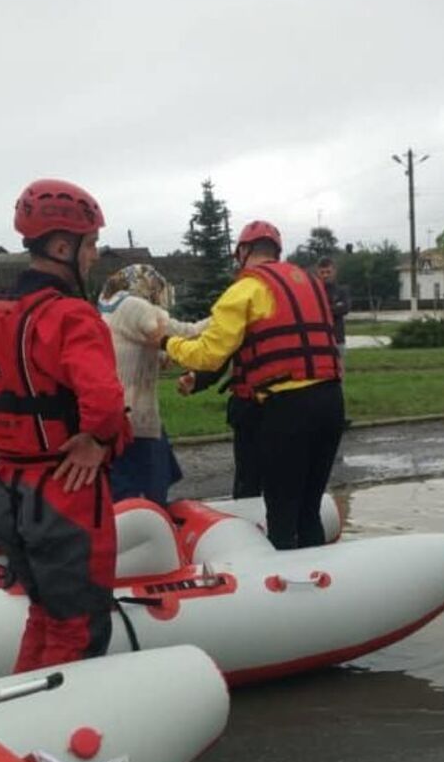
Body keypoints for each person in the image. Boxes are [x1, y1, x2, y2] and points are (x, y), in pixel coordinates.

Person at [0, 179, 132, 672]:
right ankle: (67, 730)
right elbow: (107, 403)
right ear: (63, 246)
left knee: (43, 615)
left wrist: (15, 433)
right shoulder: (72, 315)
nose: (93, 257)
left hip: (7, 488)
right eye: (90, 246)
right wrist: (95, 440)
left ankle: (25, 717)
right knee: (79, 626)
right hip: (63, 492)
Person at [163, 220, 344, 549]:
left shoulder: (244, 290)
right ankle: (321, 578)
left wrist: (169, 344)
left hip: (287, 412)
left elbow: (209, 355)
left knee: (281, 515)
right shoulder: (312, 284)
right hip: (331, 402)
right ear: (277, 252)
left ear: (243, 253)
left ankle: (283, 586)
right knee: (309, 509)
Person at [98, 263, 206, 505]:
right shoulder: (133, 307)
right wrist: (225, 318)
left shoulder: (109, 307)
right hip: (133, 421)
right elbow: (184, 333)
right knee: (144, 498)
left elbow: (150, 349)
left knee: (127, 492)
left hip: (118, 417)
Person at [176, 356, 262, 499]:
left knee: (288, 483)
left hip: (284, 409)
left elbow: (221, 347)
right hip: (253, 411)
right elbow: (220, 349)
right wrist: (198, 377)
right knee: (250, 482)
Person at [314, 256, 351, 359]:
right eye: (322, 272)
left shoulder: (342, 291)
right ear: (318, 272)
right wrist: (334, 307)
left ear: (334, 271)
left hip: (337, 340)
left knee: (338, 373)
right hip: (319, 340)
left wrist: (323, 308)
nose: (325, 275)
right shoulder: (314, 291)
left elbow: (345, 309)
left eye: (328, 272)